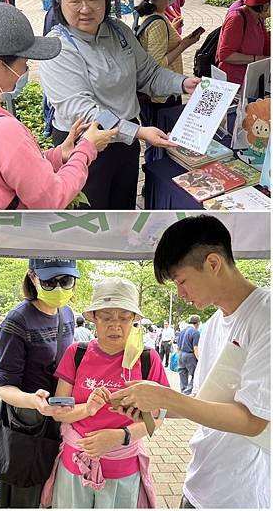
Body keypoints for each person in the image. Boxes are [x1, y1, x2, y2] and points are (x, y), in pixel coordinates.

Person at [114, 215, 270, 509]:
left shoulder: (266, 316)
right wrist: (157, 408)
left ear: (213, 264)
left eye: (182, 281)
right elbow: (205, 402)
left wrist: (163, 395)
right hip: (200, 483)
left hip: (241, 494)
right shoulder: (211, 327)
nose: (181, 294)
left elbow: (254, 421)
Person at [39, 0, 200, 209]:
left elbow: (147, 73)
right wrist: (137, 131)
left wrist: (183, 83)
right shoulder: (56, 47)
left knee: (121, 216)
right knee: (88, 225)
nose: (85, 8)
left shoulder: (119, 32)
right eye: (75, 1)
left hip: (124, 146)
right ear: (59, 1)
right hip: (82, 149)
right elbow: (81, 109)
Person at [0, 2, 116, 210]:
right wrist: (87, 148)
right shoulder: (4, 131)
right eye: (24, 62)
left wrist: (60, 154)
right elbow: (51, 198)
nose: (26, 69)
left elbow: (15, 168)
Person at [42, 277, 168, 508]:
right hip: (74, 463)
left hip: (123, 466)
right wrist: (87, 409)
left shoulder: (148, 360)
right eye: (106, 317)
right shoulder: (76, 354)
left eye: (123, 318)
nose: (115, 325)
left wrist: (120, 436)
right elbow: (59, 412)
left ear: (134, 321)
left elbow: (157, 418)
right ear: (94, 319)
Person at [0, 259, 79, 508]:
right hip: (29, 424)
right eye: (49, 282)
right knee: (27, 494)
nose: (59, 288)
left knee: (54, 492)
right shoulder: (17, 321)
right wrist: (33, 401)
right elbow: (5, 388)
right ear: (32, 278)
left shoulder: (67, 314)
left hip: (62, 419)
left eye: (66, 281)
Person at [135, 0, 201, 161]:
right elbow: (156, 66)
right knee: (161, 143)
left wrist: (172, 28)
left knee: (158, 142)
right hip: (161, 97)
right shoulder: (157, 22)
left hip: (158, 95)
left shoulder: (155, 17)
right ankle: (154, 181)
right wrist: (185, 44)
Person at [217, 0, 270, 85]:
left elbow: (266, 48)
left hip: (251, 79)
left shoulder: (259, 18)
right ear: (265, 4)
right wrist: (258, 59)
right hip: (233, 83)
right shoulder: (237, 18)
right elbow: (225, 55)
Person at [176, 314, 201, 395]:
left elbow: (178, 346)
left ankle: (183, 391)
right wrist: (199, 359)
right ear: (197, 323)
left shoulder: (182, 331)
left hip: (180, 354)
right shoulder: (195, 332)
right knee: (195, 375)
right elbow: (195, 348)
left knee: (182, 374)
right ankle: (187, 392)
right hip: (189, 355)